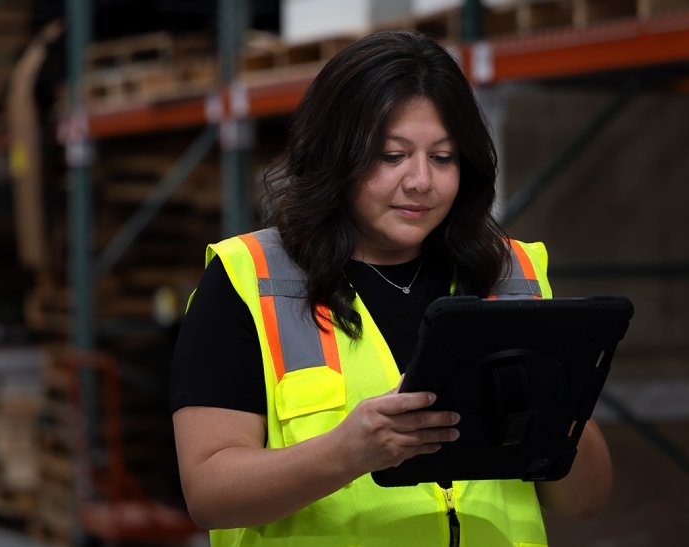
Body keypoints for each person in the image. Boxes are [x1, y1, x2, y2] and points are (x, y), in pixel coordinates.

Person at [169, 30, 612, 546]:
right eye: (391, 156)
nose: (421, 181)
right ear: (335, 156)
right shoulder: (251, 278)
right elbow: (209, 494)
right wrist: (349, 452)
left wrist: (555, 412)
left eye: (443, 158)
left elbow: (586, 502)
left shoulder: (509, 274)